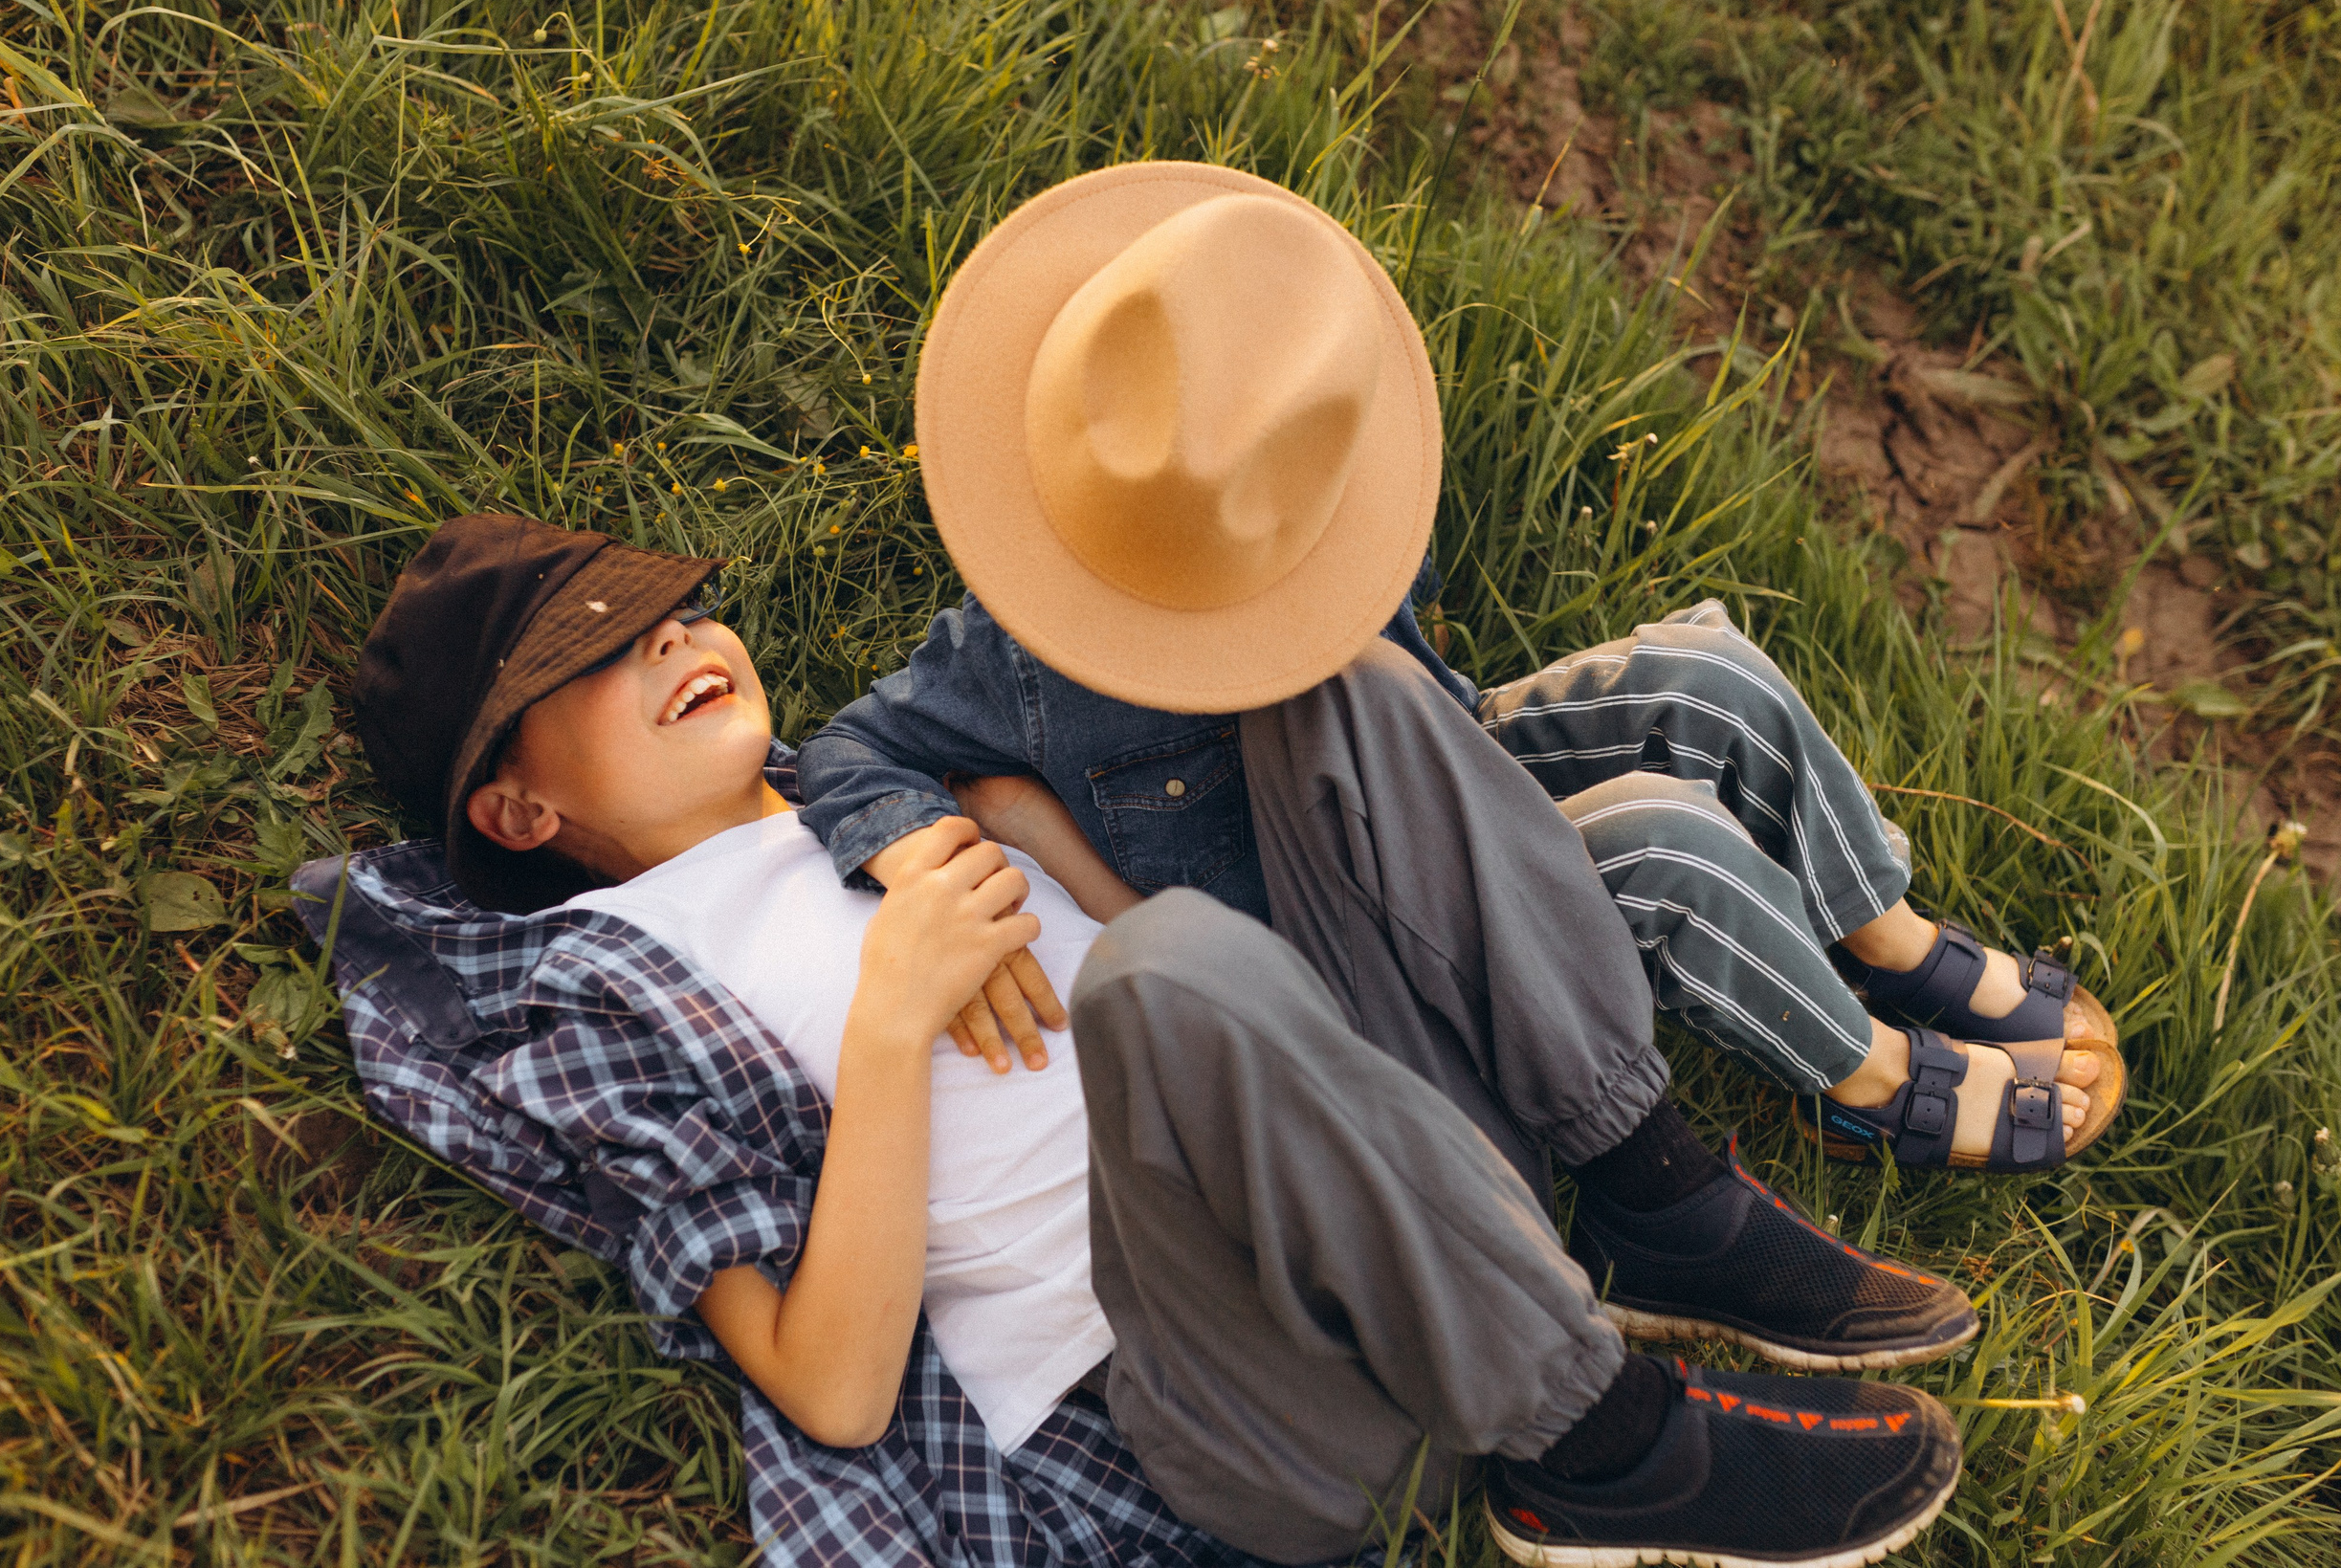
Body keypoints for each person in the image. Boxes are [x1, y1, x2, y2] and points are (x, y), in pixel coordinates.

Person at [307, 512, 1964, 1568]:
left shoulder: (884, 792)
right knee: (1168, 968)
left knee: (1331, 685)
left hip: (1407, 1172)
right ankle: (1601, 1448)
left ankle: (1643, 1184)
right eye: (599, 653)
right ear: (516, 806)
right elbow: (828, 1388)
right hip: (1253, 1416)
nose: (671, 640)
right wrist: (894, 1020)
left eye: (666, 611)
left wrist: (1029, 845)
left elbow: (1203, 983)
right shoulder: (596, 987)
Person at [795, 160, 2125, 1227]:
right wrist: (921, 850)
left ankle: (1882, 933)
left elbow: (1425, 706)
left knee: (1706, 679)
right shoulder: (1014, 661)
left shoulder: (1311, 490)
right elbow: (849, 754)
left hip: (1435, 771)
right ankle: (1871, 1076)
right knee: (1661, 846)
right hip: (1370, 942)